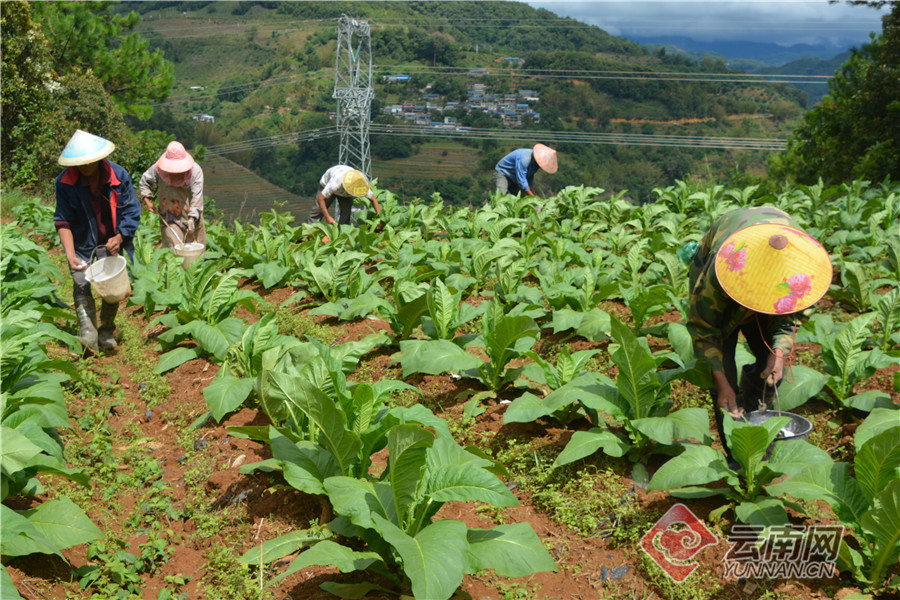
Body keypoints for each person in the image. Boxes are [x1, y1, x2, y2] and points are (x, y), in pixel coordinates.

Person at [686, 206, 832, 459]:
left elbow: (787, 322)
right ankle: (738, 458)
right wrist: (723, 385)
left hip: (773, 255)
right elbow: (704, 330)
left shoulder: (803, 273)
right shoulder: (719, 272)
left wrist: (778, 354)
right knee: (724, 383)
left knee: (771, 364)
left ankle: (756, 412)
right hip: (727, 269)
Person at [54, 130, 141, 353]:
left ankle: (106, 331)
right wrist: (71, 256)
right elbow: (63, 221)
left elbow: (132, 211)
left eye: (88, 162)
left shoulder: (118, 176)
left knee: (111, 287)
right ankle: (87, 331)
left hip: (110, 242)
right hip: (82, 243)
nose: (84, 167)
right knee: (81, 281)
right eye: (79, 163)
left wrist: (120, 236)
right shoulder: (65, 182)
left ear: (98, 159)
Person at [139, 141, 205, 248]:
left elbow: (197, 198)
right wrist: (147, 200)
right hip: (169, 216)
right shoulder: (158, 169)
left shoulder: (195, 171)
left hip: (192, 215)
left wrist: (192, 219)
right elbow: (144, 181)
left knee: (195, 251)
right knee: (174, 251)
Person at [307, 165, 381, 227]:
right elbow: (320, 198)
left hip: (345, 192)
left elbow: (373, 200)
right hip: (327, 184)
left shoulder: (361, 184)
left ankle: (342, 235)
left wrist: (380, 219)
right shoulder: (335, 183)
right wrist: (328, 217)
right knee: (318, 210)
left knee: (346, 214)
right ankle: (310, 231)